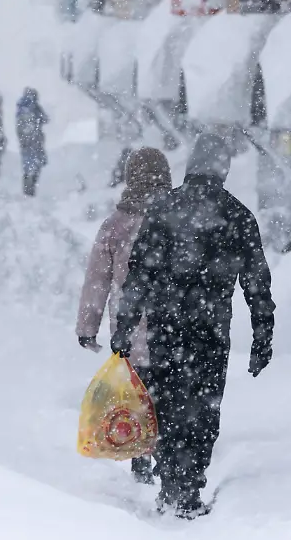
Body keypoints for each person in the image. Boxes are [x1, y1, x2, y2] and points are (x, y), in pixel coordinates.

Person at [112, 134, 275, 519]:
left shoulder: (162, 209)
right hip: (211, 330)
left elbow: (140, 275)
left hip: (165, 328)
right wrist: (262, 335)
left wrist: (125, 326)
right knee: (202, 407)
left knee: (165, 402)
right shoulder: (237, 215)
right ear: (223, 168)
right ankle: (189, 483)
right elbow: (257, 282)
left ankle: (169, 477)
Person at [76, 148, 174, 485]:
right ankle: (167, 459)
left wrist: (88, 327)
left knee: (134, 398)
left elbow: (97, 280)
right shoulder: (178, 218)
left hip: (130, 331)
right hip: (173, 330)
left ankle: (139, 459)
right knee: (168, 397)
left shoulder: (116, 226)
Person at [15, 87, 49, 196]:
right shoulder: (34, 108)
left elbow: (19, 128)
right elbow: (45, 119)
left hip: (25, 142)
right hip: (35, 141)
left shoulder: (21, 108)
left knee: (28, 165)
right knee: (36, 164)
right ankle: (30, 189)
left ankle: (27, 189)